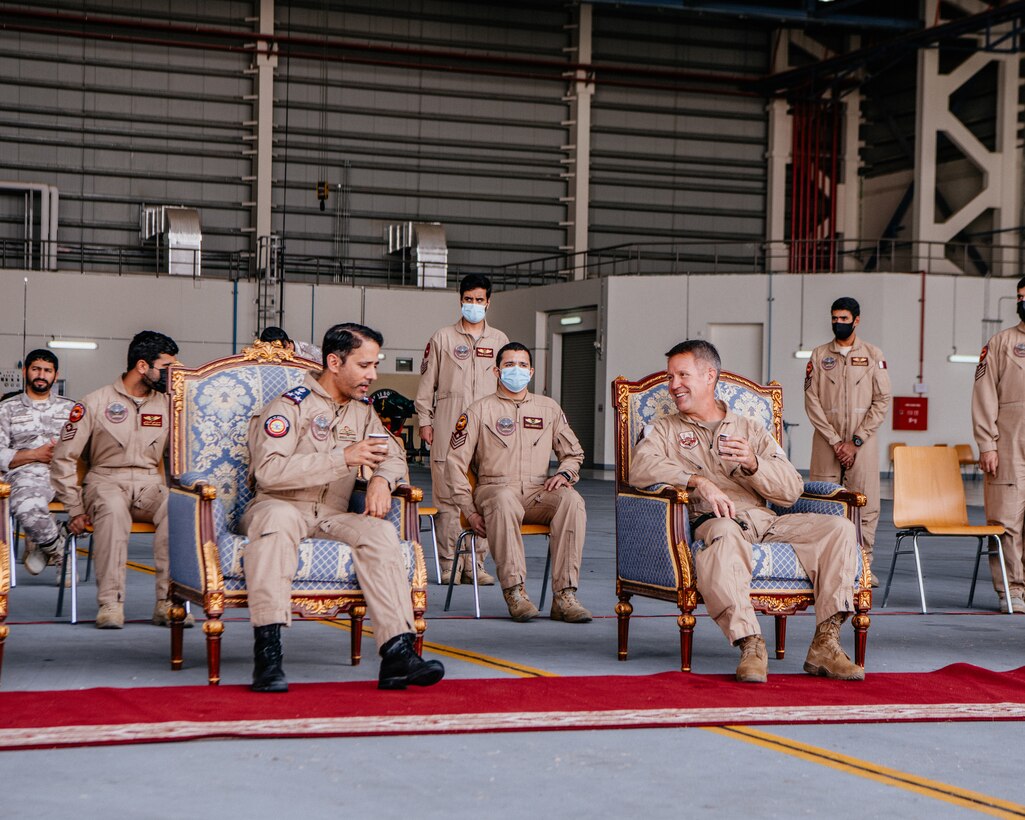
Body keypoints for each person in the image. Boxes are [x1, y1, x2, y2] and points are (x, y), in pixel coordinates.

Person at [630, 340, 863, 683]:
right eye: (670, 377)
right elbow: (640, 468)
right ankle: (751, 644)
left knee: (838, 529)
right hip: (714, 522)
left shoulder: (751, 429)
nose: (673, 385)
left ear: (709, 376)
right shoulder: (665, 429)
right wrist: (698, 482)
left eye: (682, 375)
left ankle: (825, 644)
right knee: (724, 535)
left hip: (765, 520)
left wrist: (754, 464)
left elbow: (790, 490)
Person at [243, 322, 445, 693]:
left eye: (374, 365)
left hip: (331, 513)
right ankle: (268, 655)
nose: (373, 375)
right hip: (279, 505)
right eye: (364, 365)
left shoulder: (363, 412)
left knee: (381, 532)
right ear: (334, 362)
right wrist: (343, 458)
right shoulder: (289, 407)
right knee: (277, 524)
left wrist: (383, 480)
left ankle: (397, 651)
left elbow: (395, 454)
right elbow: (268, 472)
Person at [51, 331, 188, 629]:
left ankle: (168, 601)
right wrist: (74, 508)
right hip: (105, 480)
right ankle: (111, 603)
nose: (171, 375)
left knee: (176, 509)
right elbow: (63, 458)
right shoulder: (95, 402)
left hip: (150, 482)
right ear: (142, 366)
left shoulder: (168, 405)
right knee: (113, 511)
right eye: (166, 368)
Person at [446, 342, 590, 623]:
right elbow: (454, 464)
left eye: (523, 365)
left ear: (532, 371)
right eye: (510, 365)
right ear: (496, 370)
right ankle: (515, 592)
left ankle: (565, 596)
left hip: (537, 491)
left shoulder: (548, 409)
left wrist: (564, 474)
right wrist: (469, 510)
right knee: (503, 498)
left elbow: (573, 454)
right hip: (493, 489)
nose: (517, 370)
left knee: (572, 500)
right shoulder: (479, 410)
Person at [416, 273, 509, 586]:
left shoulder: (499, 341)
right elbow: (427, 385)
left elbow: (508, 388)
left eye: (479, 300)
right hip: (448, 430)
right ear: (460, 300)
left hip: (488, 434)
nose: (473, 305)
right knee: (447, 501)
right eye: (468, 300)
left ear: (489, 302)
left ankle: (475, 565)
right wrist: (425, 421)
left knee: (484, 498)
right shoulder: (442, 338)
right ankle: (448, 565)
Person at [804, 296, 891, 586]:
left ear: (856, 320)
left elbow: (882, 400)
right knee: (824, 501)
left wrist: (855, 441)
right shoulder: (818, 355)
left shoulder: (873, 354)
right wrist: (834, 441)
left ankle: (863, 565)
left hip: (862, 443)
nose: (838, 323)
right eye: (834, 318)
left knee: (865, 504)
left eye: (844, 319)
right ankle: (825, 565)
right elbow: (812, 401)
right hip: (826, 443)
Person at [972, 276, 1025, 614]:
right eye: (1021, 297)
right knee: (1006, 520)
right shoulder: (1000, 342)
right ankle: (1012, 589)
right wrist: (986, 444)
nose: (1023, 302)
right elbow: (984, 395)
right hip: (1009, 442)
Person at [0, 349, 74, 581]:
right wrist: (34, 454)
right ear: (25, 371)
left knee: (107, 500)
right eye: (36, 369)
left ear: (55, 374)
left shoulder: (71, 409)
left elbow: (87, 447)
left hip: (65, 474)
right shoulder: (7, 408)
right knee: (27, 505)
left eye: (47, 371)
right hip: (24, 474)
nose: (41, 375)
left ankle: (53, 540)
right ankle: (60, 549)